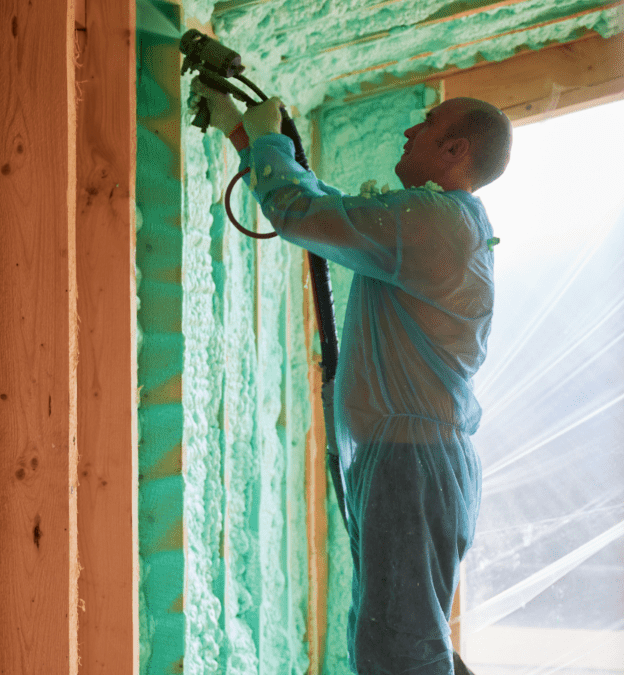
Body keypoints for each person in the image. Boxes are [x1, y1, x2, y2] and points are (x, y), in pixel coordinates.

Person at [194, 79, 512, 675]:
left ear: (455, 152)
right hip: (407, 462)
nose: (411, 129)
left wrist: (263, 141)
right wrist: (246, 134)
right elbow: (328, 212)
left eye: (430, 123)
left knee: (398, 649)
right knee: (401, 639)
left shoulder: (435, 223)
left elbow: (303, 213)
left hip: (410, 464)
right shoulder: (435, 223)